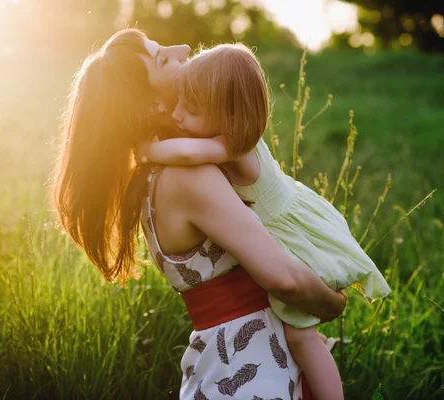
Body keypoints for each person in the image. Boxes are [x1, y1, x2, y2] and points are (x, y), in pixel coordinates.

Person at [53, 28, 346, 399]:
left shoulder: (154, 174)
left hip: (229, 362)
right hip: (249, 370)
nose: (184, 48)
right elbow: (283, 279)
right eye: (163, 57)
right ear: (152, 106)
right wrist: (331, 303)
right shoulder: (188, 176)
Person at [137, 42, 392, 399]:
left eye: (190, 108)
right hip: (246, 337)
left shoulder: (227, 147)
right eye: (177, 103)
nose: (179, 115)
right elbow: (280, 278)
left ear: (228, 118)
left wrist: (143, 151)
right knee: (303, 336)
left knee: (303, 338)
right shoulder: (204, 161)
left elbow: (187, 151)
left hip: (289, 234)